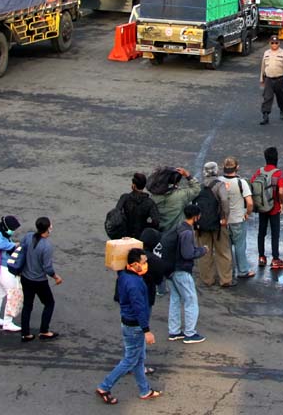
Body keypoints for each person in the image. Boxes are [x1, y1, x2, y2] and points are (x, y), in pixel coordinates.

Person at [96, 248, 161, 405]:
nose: (146, 264)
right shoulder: (135, 285)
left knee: (138, 359)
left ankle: (144, 390)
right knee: (130, 360)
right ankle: (105, 386)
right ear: (135, 264)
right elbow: (139, 309)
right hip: (135, 327)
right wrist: (147, 331)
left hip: (127, 323)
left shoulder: (124, 275)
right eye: (144, 262)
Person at [167, 204, 207, 344]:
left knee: (175, 300)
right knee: (191, 301)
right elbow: (187, 254)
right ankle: (190, 333)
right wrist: (202, 250)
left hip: (170, 269)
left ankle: (174, 331)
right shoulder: (187, 232)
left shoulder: (178, 227)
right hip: (182, 270)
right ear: (196, 216)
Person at [20, 217, 62, 341]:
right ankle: (44, 330)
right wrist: (56, 277)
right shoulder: (46, 246)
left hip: (25, 277)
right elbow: (47, 267)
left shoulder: (28, 237)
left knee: (27, 305)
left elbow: (21, 249)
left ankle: (25, 333)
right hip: (39, 281)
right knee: (49, 303)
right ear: (48, 228)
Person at [195, 162, 233, 288]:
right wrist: (224, 217)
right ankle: (225, 279)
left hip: (202, 224)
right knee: (223, 251)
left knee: (205, 252)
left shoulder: (200, 186)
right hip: (218, 223)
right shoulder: (219, 185)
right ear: (216, 171)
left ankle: (207, 279)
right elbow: (224, 200)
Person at [251, 147, 283, 270]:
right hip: (274, 207)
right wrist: (281, 202)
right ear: (276, 158)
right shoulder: (278, 173)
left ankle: (261, 257)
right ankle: (275, 258)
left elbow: (252, 184)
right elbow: (281, 191)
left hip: (262, 206)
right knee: (275, 233)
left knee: (261, 232)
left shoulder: (259, 171)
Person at [219, 157, 255, 279]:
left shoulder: (219, 181)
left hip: (224, 220)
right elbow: (249, 202)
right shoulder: (241, 182)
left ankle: (228, 272)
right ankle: (243, 270)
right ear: (237, 167)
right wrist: (247, 213)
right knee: (240, 246)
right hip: (238, 219)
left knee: (226, 248)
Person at [0, 216, 22, 332]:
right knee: (13, 293)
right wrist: (13, 245)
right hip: (3, 268)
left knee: (0, 294)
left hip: (1, 267)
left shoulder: (3, 234)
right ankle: (7, 322)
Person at [152, 168, 201, 232]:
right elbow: (196, 189)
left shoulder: (154, 197)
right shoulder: (181, 195)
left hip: (160, 232)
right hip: (177, 233)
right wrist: (187, 175)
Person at [259, 35, 283, 125]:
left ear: (279, 43)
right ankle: (265, 116)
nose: (274, 44)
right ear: (270, 43)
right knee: (267, 97)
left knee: (281, 97)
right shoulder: (266, 53)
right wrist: (261, 78)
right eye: (272, 43)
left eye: (276, 43)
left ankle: (282, 110)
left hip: (279, 79)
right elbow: (263, 67)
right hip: (268, 79)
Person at [116, 173, 160, 238]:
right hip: (141, 236)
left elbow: (116, 214)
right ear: (144, 186)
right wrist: (145, 226)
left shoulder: (125, 198)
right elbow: (156, 222)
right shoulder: (150, 202)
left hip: (125, 236)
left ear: (133, 185)